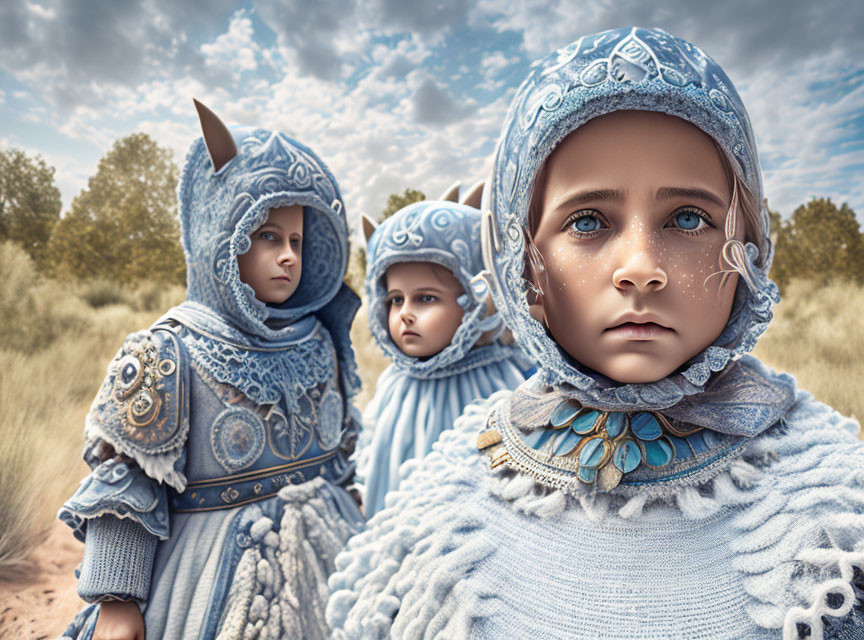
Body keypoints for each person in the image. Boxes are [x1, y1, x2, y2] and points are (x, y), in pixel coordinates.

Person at [327, 27, 864, 639]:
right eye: (588, 221)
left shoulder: (833, 509)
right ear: (523, 261)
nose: (640, 266)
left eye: (689, 218)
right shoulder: (454, 495)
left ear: (745, 243)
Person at [59, 100, 364, 640]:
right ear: (220, 230)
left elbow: (337, 455)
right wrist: (117, 600)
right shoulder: (167, 351)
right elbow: (126, 482)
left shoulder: (320, 341)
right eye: (268, 236)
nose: (289, 255)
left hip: (331, 561)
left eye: (296, 240)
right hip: (208, 587)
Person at [357, 197, 530, 518]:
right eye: (396, 299)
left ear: (474, 301)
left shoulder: (496, 383)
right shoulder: (395, 381)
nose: (405, 314)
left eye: (425, 298)